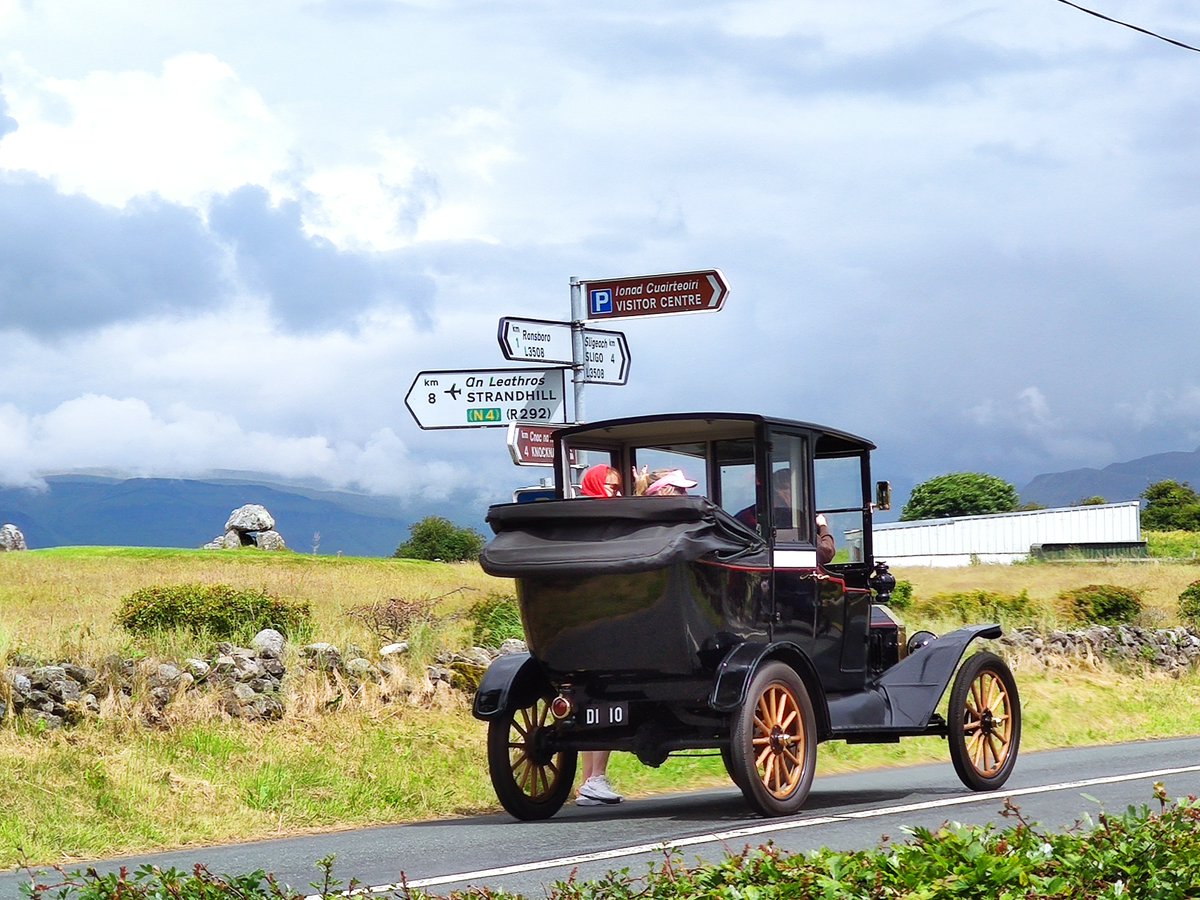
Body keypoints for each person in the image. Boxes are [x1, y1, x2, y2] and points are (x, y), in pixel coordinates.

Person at [573, 463, 625, 806]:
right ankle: (595, 779)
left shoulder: (575, 521)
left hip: (580, 624)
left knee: (590, 699)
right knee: (606, 696)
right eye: (611, 487)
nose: (616, 494)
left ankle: (589, 781)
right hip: (606, 620)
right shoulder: (604, 523)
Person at [736, 468, 835, 565]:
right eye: (795, 489)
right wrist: (823, 526)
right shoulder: (792, 519)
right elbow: (826, 552)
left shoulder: (743, 517)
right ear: (780, 491)